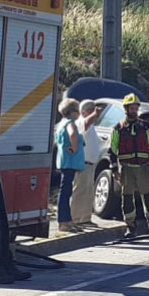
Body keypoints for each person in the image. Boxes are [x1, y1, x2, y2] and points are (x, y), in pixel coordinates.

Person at [110, 93, 149, 238]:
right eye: (131, 108)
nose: (133, 111)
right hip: (126, 168)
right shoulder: (118, 128)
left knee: (148, 196)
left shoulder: (146, 127)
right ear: (125, 109)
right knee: (127, 197)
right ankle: (130, 227)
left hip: (143, 167)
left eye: (135, 108)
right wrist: (114, 168)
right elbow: (112, 149)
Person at [54, 98, 85, 233]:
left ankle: (67, 220)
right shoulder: (70, 124)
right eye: (77, 111)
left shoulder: (60, 124)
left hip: (62, 160)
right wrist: (74, 146)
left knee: (65, 190)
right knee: (66, 191)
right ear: (71, 112)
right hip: (70, 161)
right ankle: (64, 221)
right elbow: (73, 135)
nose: (78, 114)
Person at [71, 99, 102, 226]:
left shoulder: (91, 125)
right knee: (79, 191)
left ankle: (85, 218)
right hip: (82, 163)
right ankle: (75, 218)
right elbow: (87, 123)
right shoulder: (81, 122)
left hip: (90, 164)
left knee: (88, 192)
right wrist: (95, 113)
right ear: (84, 112)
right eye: (90, 111)